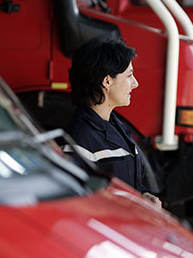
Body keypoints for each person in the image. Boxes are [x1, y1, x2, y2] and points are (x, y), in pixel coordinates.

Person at [65, 37, 161, 208]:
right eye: (129, 75)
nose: (135, 83)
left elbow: (126, 184)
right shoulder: (80, 140)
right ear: (107, 81)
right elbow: (79, 206)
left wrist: (143, 196)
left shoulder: (115, 125)